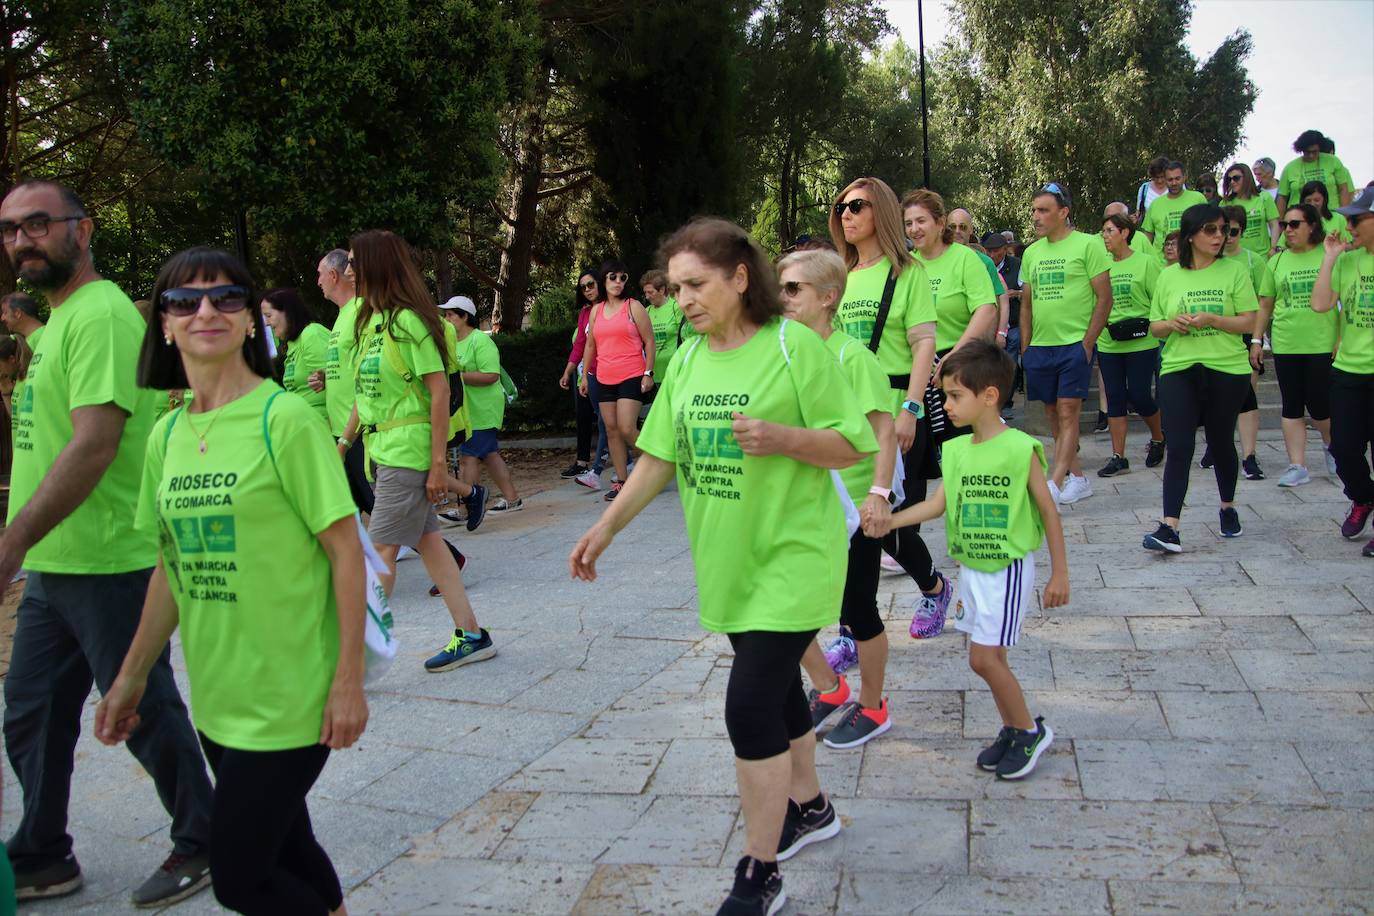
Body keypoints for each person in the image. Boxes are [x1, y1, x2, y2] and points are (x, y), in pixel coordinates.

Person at [570, 218, 876, 915]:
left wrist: (783, 438)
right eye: (675, 289)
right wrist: (605, 528)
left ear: (741, 277)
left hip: (792, 558)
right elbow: (658, 459)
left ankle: (758, 870)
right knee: (775, 694)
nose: (683, 300)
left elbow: (851, 443)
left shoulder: (795, 347)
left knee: (747, 705)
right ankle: (814, 807)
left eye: (696, 285)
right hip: (728, 561)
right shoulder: (687, 360)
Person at [94, 246, 365, 914]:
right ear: (163, 324)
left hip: (292, 697)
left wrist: (347, 681)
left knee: (242, 880)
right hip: (216, 697)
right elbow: (172, 567)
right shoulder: (166, 436)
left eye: (226, 297)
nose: (205, 311)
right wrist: (130, 678)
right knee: (289, 848)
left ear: (252, 321)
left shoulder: (286, 420)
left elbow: (346, 553)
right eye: (184, 301)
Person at [0, 180, 214, 905]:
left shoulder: (101, 316)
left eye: (37, 224)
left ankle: (205, 839)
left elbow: (93, 446)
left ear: (82, 230)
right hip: (56, 564)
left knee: (144, 711)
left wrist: (12, 538)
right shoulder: (57, 323)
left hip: (110, 557)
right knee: (31, 711)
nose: (21, 241)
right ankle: (41, 854)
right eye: (9, 230)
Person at [872, 341, 1068, 779]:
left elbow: (1048, 511)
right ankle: (1015, 728)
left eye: (955, 396)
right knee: (988, 657)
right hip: (973, 569)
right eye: (943, 396)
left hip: (1006, 569)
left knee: (984, 659)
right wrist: (892, 521)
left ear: (990, 395)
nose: (946, 405)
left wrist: (1060, 573)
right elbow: (939, 504)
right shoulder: (957, 451)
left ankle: (1028, 731)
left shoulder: (1020, 448)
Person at [337, 230, 494, 672]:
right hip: (384, 451)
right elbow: (365, 397)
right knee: (429, 543)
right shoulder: (371, 324)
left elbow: (439, 392)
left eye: (354, 262)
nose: (349, 270)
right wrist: (344, 442)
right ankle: (473, 634)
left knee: (381, 552)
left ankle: (351, 661)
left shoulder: (407, 322)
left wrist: (437, 464)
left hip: (407, 452)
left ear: (375, 266)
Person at [777, 248, 898, 748]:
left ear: (829, 298)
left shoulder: (854, 357)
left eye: (794, 289)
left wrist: (879, 495)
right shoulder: (781, 352)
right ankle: (829, 687)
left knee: (858, 610)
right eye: (779, 287)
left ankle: (873, 706)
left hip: (851, 510)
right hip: (800, 505)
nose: (782, 299)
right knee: (785, 609)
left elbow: (884, 431)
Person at [828, 177, 949, 638]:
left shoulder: (907, 271)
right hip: (844, 417)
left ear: (879, 209)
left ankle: (935, 589)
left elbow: (923, 344)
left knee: (890, 526)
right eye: (841, 207)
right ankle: (851, 628)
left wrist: (911, 410)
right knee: (848, 523)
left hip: (896, 408)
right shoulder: (837, 273)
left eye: (856, 205)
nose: (847, 214)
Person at [1143, 203, 1258, 553]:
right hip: (1179, 368)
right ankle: (1170, 527)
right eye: (1211, 229)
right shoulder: (1168, 276)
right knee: (1178, 445)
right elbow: (1154, 326)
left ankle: (1227, 507)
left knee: (1221, 442)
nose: (1219, 236)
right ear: (1190, 235)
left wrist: (1214, 320)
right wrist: (1171, 324)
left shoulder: (1234, 271)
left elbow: (1249, 321)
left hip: (1228, 368)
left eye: (1223, 229)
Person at [1019, 182, 1113, 504]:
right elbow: (1027, 304)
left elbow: (1104, 298)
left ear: (1063, 212)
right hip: (1040, 349)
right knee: (1052, 415)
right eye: (1034, 210)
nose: (1036, 216)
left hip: (1074, 344)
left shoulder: (1088, 245)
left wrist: (1088, 343)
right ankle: (1078, 478)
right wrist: (1025, 348)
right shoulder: (1031, 252)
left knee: (1068, 411)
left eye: (1043, 210)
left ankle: (1054, 484)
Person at [1252, 204, 1338, 487]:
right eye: (1285, 224)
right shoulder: (1276, 262)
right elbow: (1265, 304)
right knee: (1291, 405)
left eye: (1295, 224)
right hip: (1287, 343)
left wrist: (1340, 340)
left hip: (1322, 343)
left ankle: (1332, 448)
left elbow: (1341, 303)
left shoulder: (1329, 257)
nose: (1287, 230)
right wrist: (1256, 340)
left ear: (1312, 225)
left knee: (1320, 405)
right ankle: (1297, 465)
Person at [1311, 187, 1374, 558]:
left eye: (1356, 219)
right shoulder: (1349, 261)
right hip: (1349, 369)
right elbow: (1320, 304)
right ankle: (1363, 498)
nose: (1348, 226)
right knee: (1345, 448)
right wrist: (1330, 258)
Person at [578, 259, 655, 501]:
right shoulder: (596, 312)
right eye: (613, 277)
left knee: (626, 428)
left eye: (623, 278)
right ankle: (622, 481)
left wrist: (648, 373)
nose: (618, 282)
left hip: (632, 373)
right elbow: (591, 345)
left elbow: (649, 341)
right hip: (604, 377)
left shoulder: (634, 307)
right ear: (604, 280)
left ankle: (659, 461)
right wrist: (584, 376)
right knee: (611, 429)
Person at [1097, 213, 1165, 476]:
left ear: (1125, 233)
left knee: (1139, 395)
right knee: (1115, 398)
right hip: (1109, 341)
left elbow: (1158, 299)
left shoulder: (1146, 263)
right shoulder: (1101, 265)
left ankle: (1158, 437)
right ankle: (1118, 456)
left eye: (1110, 230)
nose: (1105, 236)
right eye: (1103, 231)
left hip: (1141, 341)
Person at [444, 295, 521, 511]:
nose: (447, 319)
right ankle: (513, 499)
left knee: (469, 457)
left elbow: (491, 375)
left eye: (451, 315)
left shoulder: (480, 340)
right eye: (445, 315)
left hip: (483, 410)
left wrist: (456, 378)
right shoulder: (451, 343)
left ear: (465, 316)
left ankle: (466, 509)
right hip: (467, 411)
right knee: (489, 455)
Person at [903, 191, 997, 367]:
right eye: (908, 223)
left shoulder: (965, 258)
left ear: (940, 223)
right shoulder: (907, 264)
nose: (914, 229)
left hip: (961, 362)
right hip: (916, 365)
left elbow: (986, 310)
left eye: (921, 221)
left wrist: (955, 355)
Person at [317, 248, 373, 514]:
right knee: (355, 508)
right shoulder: (342, 314)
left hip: (358, 430)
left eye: (320, 275)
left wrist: (347, 440)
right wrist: (326, 376)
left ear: (332, 274)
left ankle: (448, 554)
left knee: (373, 505)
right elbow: (351, 364)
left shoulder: (361, 310)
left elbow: (370, 370)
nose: (318, 282)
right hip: (342, 429)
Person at [560, 271, 609, 484]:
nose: (588, 289)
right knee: (605, 422)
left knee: (613, 423)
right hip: (592, 373)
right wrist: (569, 371)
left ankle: (608, 468)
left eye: (591, 284)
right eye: (583, 287)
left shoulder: (616, 307)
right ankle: (599, 468)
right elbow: (581, 344)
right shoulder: (585, 313)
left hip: (615, 372)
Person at [260, 287, 330, 423]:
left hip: (324, 427)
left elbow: (336, 380)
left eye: (268, 316)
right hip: (304, 426)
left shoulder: (311, 334)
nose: (266, 323)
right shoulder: (291, 344)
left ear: (287, 313)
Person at [1141, 161, 1208, 259]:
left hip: (1191, 260)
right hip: (1161, 264)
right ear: (1165, 180)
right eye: (1170, 179)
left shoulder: (1198, 198)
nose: (1174, 183)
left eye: (1177, 178)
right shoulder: (1155, 204)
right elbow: (1148, 236)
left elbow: (1209, 227)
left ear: (1185, 177)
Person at [1277, 129, 1354, 213]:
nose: (1311, 155)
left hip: (1331, 215)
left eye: (1315, 151)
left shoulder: (1333, 161)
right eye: (1307, 152)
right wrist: (1282, 223)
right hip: (1300, 217)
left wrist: (1344, 216)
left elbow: (1344, 189)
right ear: (1301, 150)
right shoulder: (1290, 168)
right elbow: (1282, 198)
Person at [1, 291, 45, 429]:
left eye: (5, 312)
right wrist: (7, 392)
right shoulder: (22, 345)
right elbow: (20, 417)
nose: (2, 318)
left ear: (18, 313)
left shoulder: (44, 340)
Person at [1222, 163, 1280, 257]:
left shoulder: (1263, 197)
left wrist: (1273, 248)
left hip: (1263, 256)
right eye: (1229, 179)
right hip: (1235, 258)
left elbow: (1274, 224)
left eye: (1236, 178)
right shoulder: (1225, 203)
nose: (1232, 182)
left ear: (1247, 178)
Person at [642, 268, 683, 390]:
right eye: (645, 293)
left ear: (662, 290)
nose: (647, 296)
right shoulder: (646, 312)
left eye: (650, 292)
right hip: (654, 375)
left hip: (676, 371)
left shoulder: (676, 307)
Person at [1292, 180, 1352, 245]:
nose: (1312, 204)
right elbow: (1283, 247)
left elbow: (1350, 245)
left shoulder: (1339, 218)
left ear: (1324, 200)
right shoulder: (1294, 220)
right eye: (1308, 201)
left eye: (1317, 200)